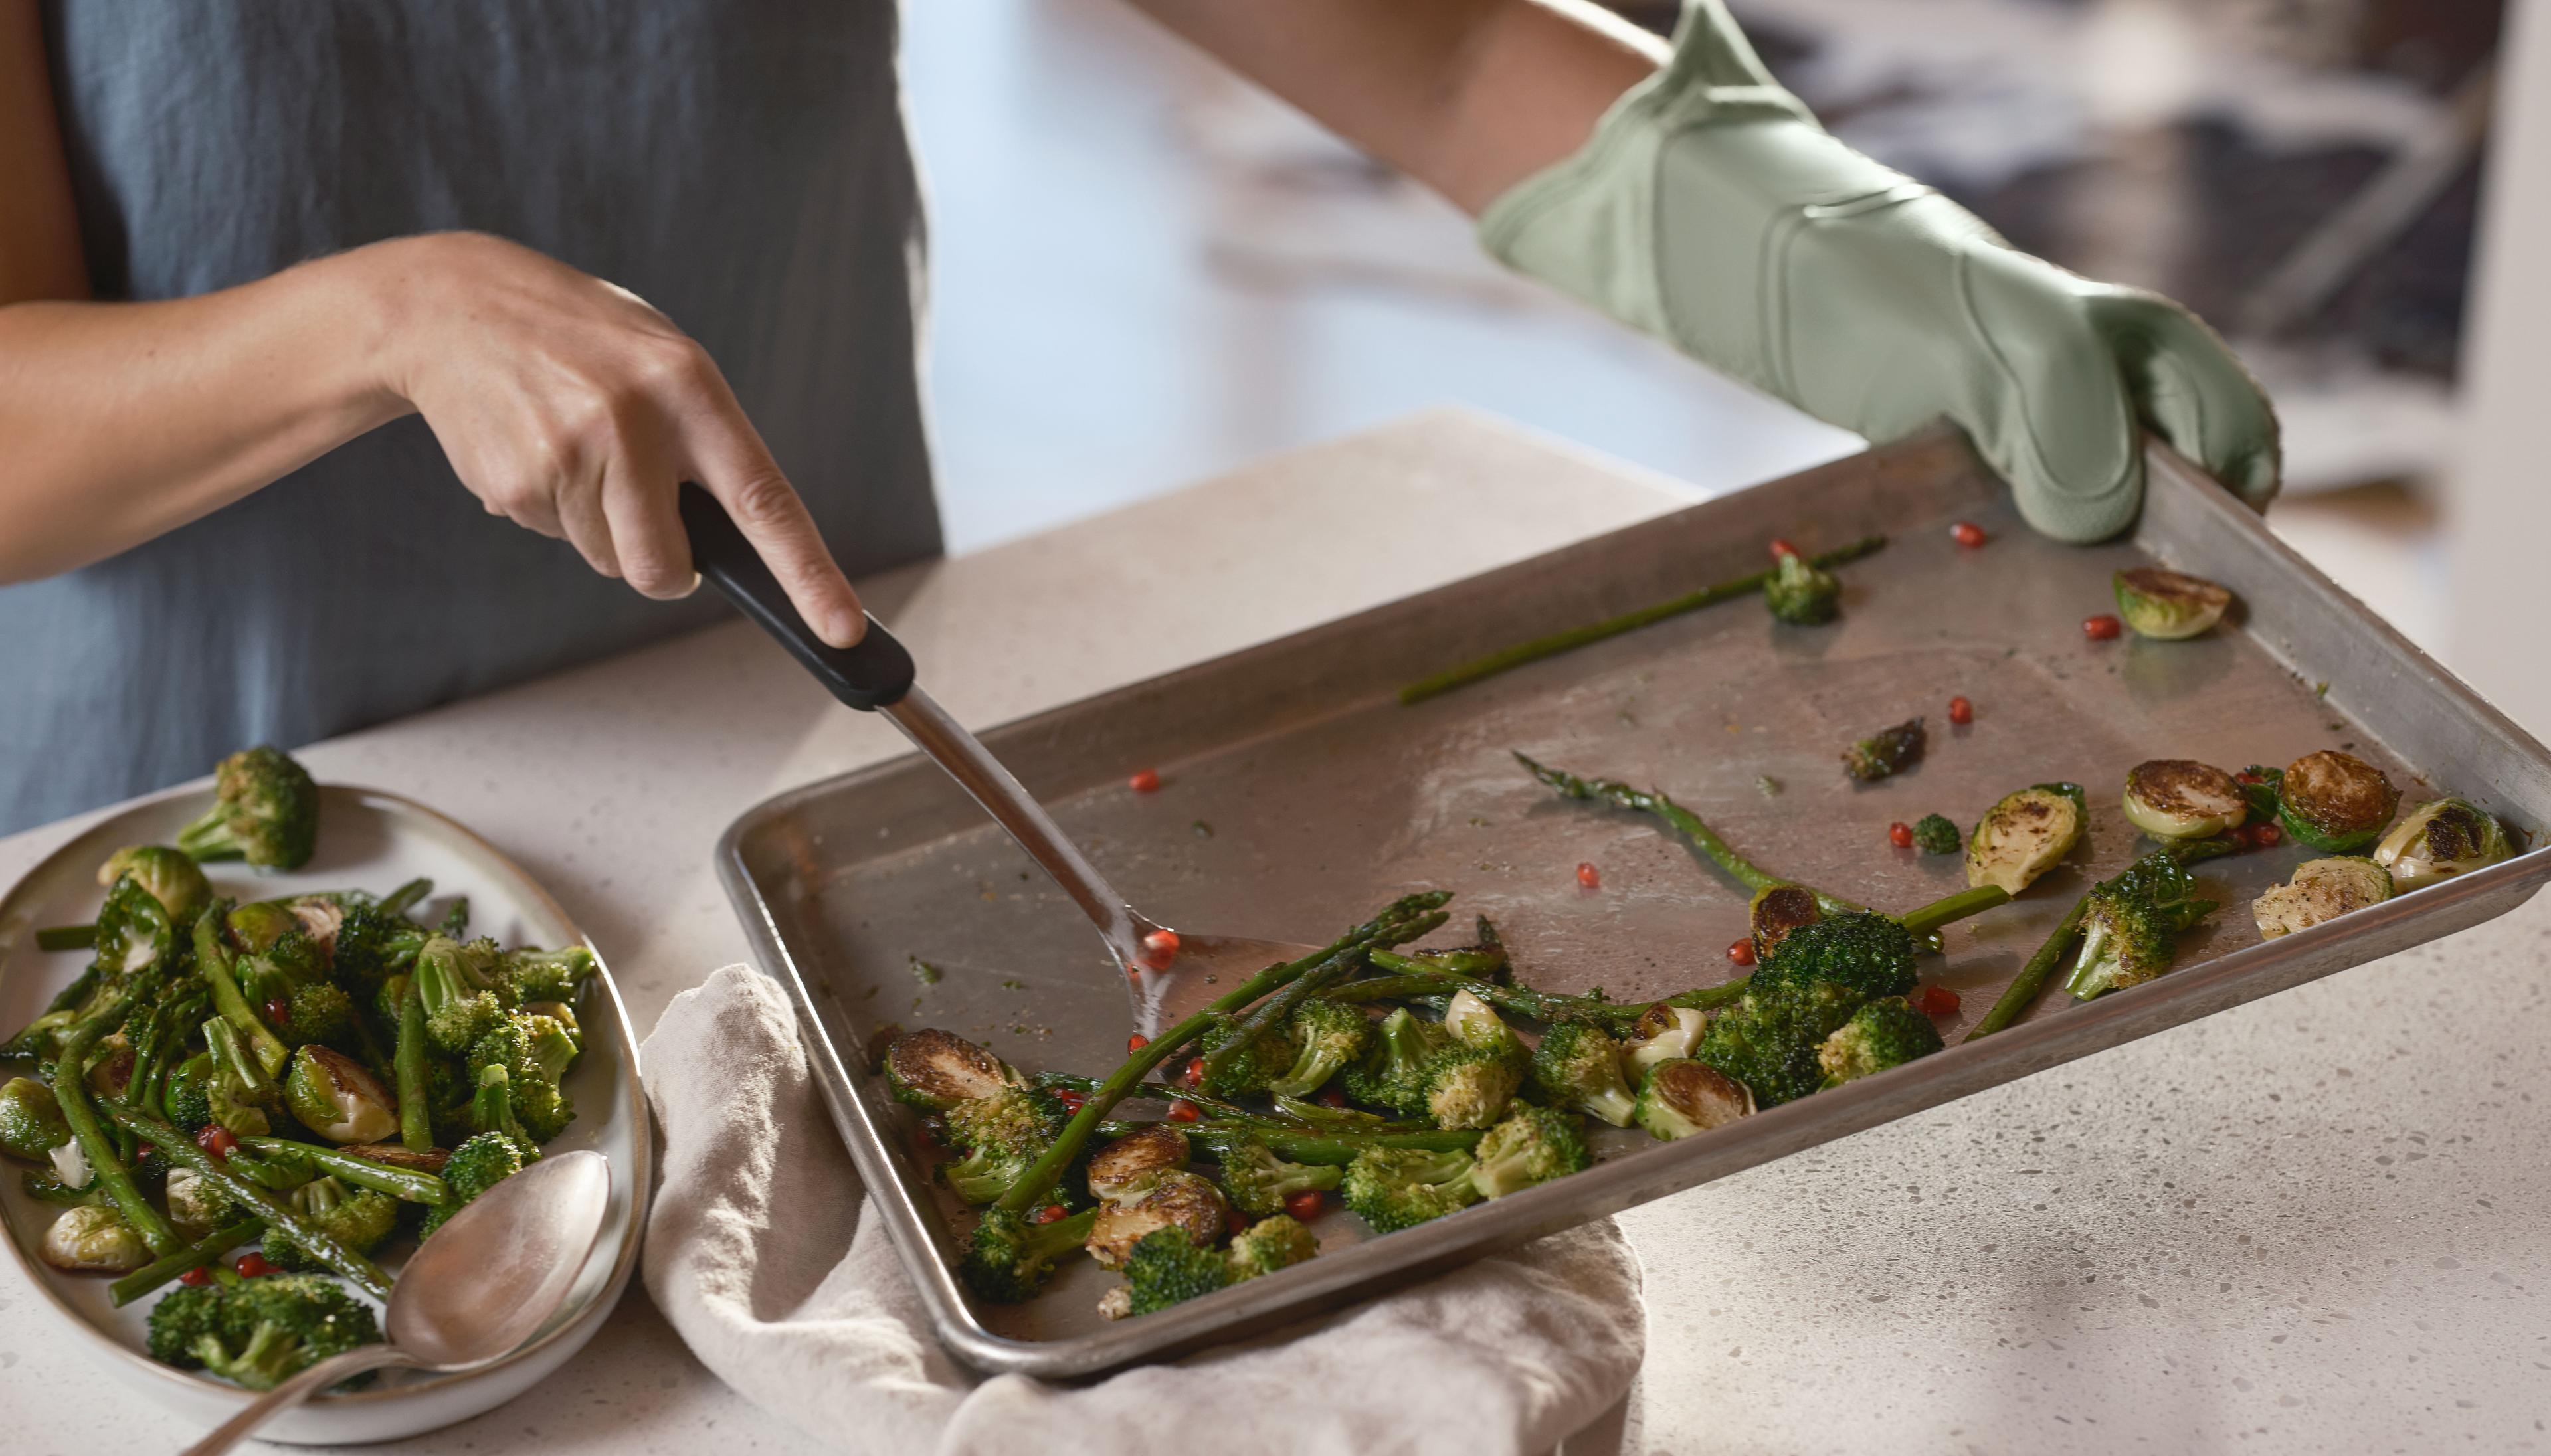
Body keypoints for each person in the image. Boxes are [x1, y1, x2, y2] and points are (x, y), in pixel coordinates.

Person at [0, 0, 2275, 834]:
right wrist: (383, 319)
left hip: (800, 780)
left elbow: (1457, 55)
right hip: (203, 842)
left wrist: (1887, 269)